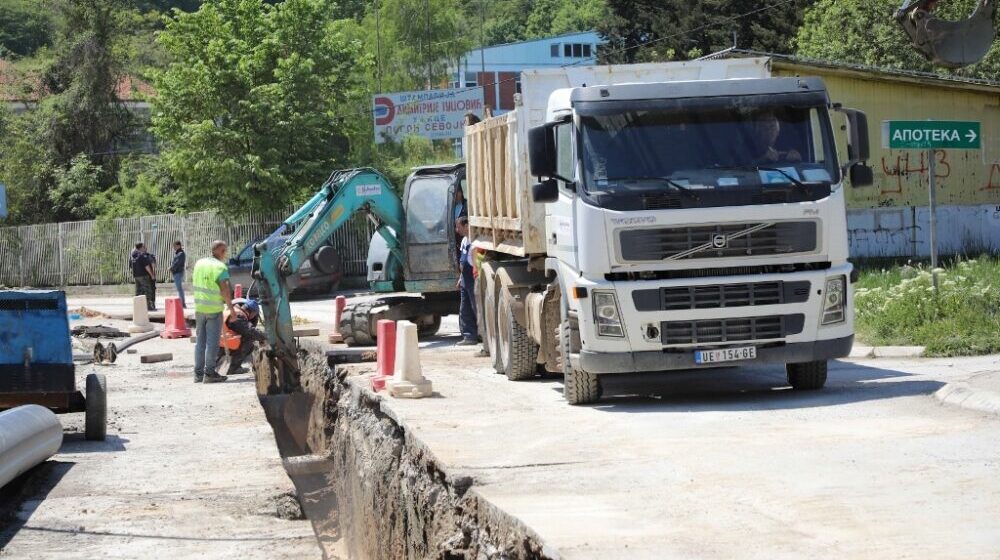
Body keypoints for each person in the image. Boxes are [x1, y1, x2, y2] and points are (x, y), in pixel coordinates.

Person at [192, 240, 235, 384]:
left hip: (199, 308)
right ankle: (209, 373)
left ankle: (198, 374)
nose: (225, 254)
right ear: (219, 251)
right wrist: (231, 309)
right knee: (212, 343)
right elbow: (225, 290)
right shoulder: (220, 267)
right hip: (214, 310)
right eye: (224, 251)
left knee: (200, 342)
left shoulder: (200, 263)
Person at [218, 299, 268, 376]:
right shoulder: (238, 315)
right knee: (249, 341)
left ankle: (231, 365)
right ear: (253, 312)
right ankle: (232, 368)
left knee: (243, 337)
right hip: (223, 343)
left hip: (218, 341)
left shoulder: (233, 310)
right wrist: (265, 337)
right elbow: (250, 331)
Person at [455, 217, 478, 346]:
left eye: (458, 227)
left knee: (476, 307)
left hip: (473, 277)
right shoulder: (464, 240)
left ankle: (483, 336)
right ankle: (469, 336)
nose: (456, 230)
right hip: (465, 278)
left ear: (466, 226)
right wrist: (460, 278)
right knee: (465, 308)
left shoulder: (475, 241)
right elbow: (463, 261)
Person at [130, 243, 155, 311]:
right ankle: (148, 306)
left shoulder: (132, 256)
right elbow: (146, 266)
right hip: (143, 276)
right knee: (147, 291)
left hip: (136, 276)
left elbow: (130, 266)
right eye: (143, 247)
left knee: (138, 291)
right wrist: (152, 275)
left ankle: (138, 307)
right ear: (141, 248)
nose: (144, 248)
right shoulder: (141, 255)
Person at [170, 241, 187, 308]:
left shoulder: (180, 253)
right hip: (177, 272)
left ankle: (182, 303)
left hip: (178, 272)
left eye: (175, 246)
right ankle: (182, 302)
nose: (174, 248)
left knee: (179, 288)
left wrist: (171, 268)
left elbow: (177, 263)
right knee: (179, 288)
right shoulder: (178, 253)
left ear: (178, 246)